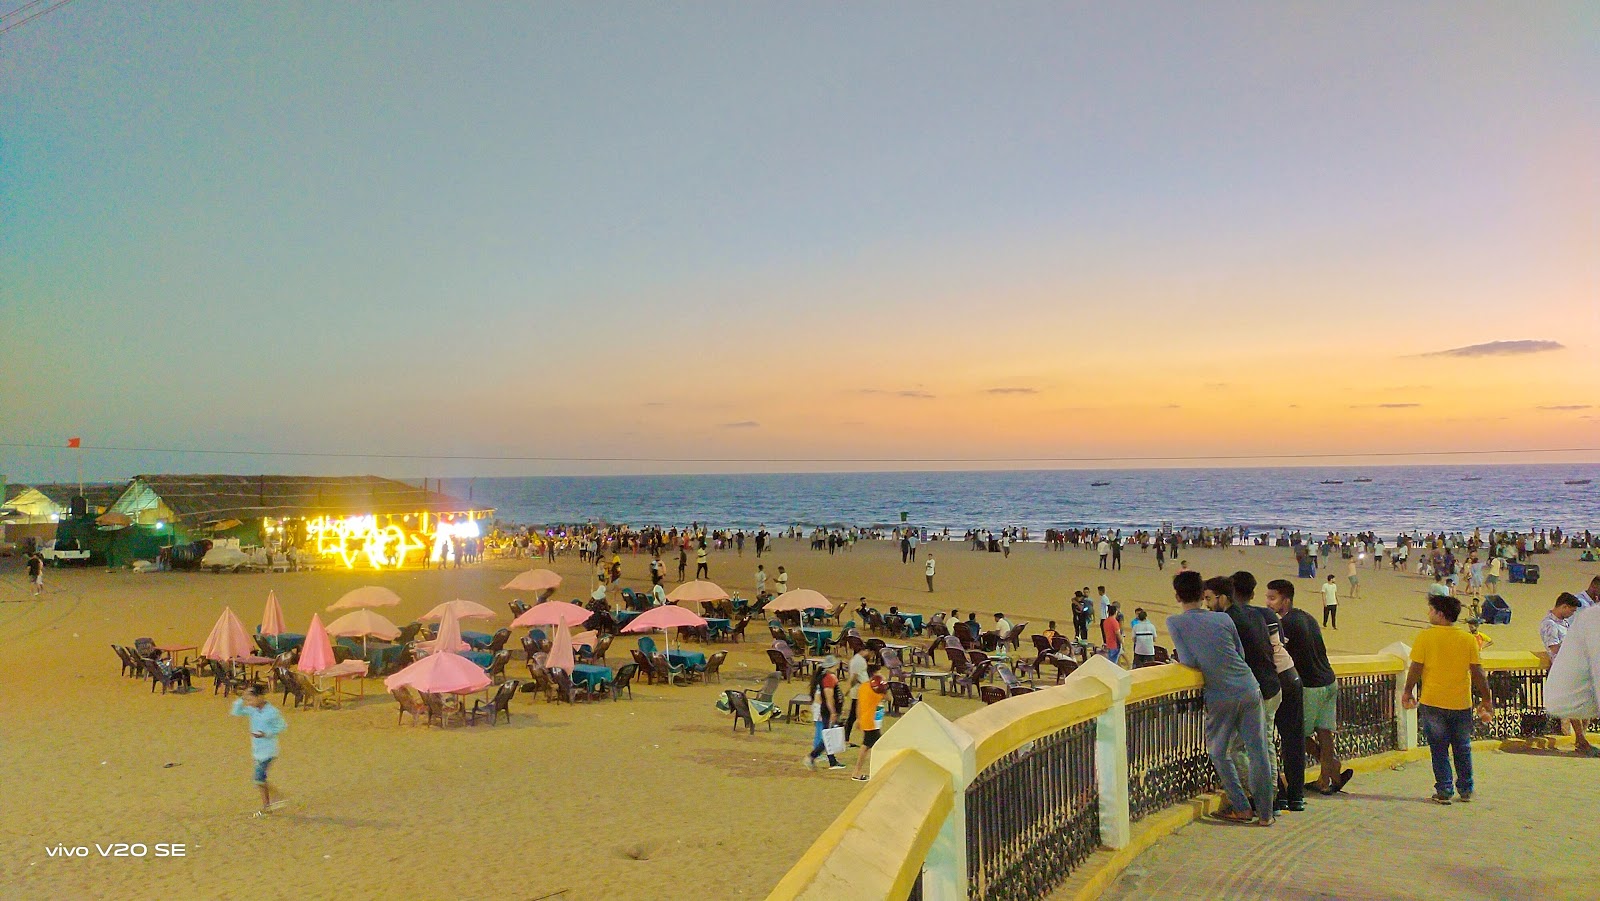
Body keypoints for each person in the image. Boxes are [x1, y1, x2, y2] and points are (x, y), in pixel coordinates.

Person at [1166, 571, 1275, 825]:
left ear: (1178, 596)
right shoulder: (1223, 619)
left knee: (1218, 751)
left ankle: (1242, 807)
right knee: (1258, 752)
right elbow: (1240, 652)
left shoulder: (1175, 622)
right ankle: (1266, 814)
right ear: (1201, 594)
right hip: (1249, 686)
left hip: (1220, 694)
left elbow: (1189, 660)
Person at [1402, 595, 1493, 804]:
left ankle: (1444, 789)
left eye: (1431, 610)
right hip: (1461, 702)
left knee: (1439, 749)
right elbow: (1478, 671)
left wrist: (1408, 691)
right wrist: (1486, 698)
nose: (1429, 614)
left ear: (1440, 614)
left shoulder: (1425, 637)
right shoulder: (1467, 639)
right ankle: (1466, 788)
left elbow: (1416, 667)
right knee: (1462, 747)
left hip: (1433, 701)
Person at [1266, 579, 1351, 796]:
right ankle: (1325, 778)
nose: (1268, 602)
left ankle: (1331, 766)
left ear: (1285, 600)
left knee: (1297, 734)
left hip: (1311, 686)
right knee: (1324, 731)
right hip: (1329, 681)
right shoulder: (1308, 618)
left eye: (1272, 598)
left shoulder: (1286, 624)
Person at [1234, 571, 1304, 812]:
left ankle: (1268, 797)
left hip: (1272, 679)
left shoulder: (1239, 617)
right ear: (1253, 593)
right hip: (1289, 675)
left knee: (1261, 742)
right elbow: (1280, 644)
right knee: (1288, 739)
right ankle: (1290, 796)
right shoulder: (1267, 615)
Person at [1540, 593, 1595, 756]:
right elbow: (1554, 648)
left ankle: (1582, 739)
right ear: (1563, 606)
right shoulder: (1549, 624)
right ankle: (1581, 740)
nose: (1572, 614)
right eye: (1571, 611)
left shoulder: (1563, 623)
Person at [231, 685, 288, 816]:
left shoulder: (272, 712)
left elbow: (282, 726)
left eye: (251, 699)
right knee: (260, 780)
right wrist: (242, 697)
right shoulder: (252, 710)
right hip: (257, 750)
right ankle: (267, 806)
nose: (249, 703)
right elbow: (236, 711)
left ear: (260, 697)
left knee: (258, 779)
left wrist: (266, 733)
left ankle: (277, 797)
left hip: (269, 751)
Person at [805, 657, 846, 770]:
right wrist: (833, 712)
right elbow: (829, 697)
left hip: (827, 711)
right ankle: (812, 756)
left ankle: (832, 761)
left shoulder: (826, 677)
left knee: (829, 736)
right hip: (828, 712)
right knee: (827, 737)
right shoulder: (828, 678)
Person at [851, 664, 889, 782]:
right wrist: (885, 684)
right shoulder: (876, 692)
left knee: (866, 746)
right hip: (872, 722)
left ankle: (857, 771)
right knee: (878, 746)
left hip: (867, 720)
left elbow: (858, 705)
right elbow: (889, 698)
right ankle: (857, 772)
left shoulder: (863, 687)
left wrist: (858, 719)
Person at [841, 647, 869, 745]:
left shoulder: (858, 659)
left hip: (860, 690)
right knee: (853, 715)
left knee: (853, 715)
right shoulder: (858, 661)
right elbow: (854, 678)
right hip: (858, 691)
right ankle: (846, 737)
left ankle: (846, 736)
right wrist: (848, 690)